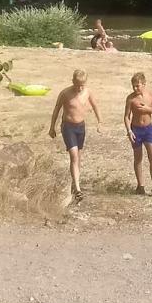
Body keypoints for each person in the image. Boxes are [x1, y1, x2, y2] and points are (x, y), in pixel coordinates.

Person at [49, 70, 102, 204]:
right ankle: (78, 190)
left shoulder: (87, 92)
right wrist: (52, 127)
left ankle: (75, 182)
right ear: (73, 82)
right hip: (68, 127)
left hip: (81, 127)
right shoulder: (65, 93)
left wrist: (100, 122)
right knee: (73, 155)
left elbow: (95, 106)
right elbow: (57, 109)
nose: (80, 88)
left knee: (78, 157)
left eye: (82, 85)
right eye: (77, 85)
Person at [124, 72, 152, 198]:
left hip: (148, 130)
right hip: (136, 130)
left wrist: (148, 109)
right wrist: (129, 131)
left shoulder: (150, 95)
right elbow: (126, 117)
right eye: (133, 86)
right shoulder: (131, 98)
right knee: (138, 158)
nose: (135, 88)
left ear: (144, 84)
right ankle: (140, 185)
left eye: (138, 86)